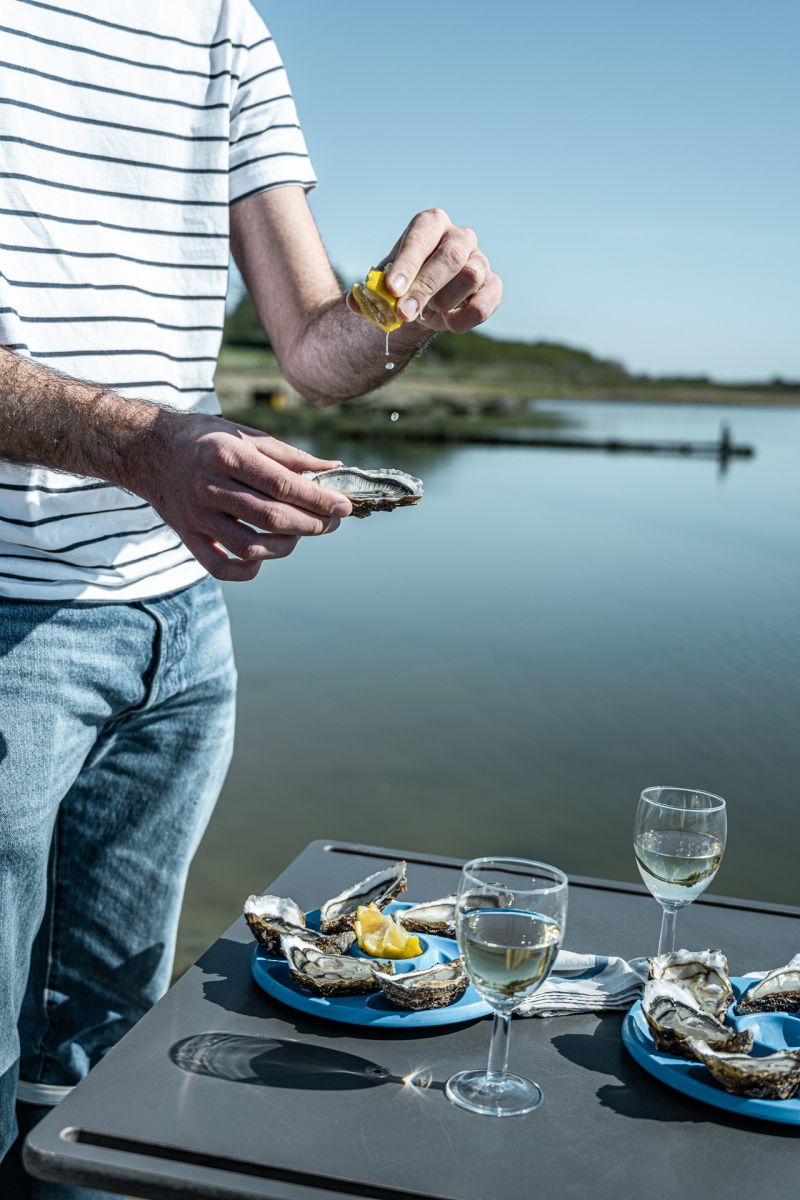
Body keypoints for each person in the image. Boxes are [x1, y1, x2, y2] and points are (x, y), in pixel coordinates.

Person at [0, 2, 502, 1193]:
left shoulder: (222, 23)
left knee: (99, 1075)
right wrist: (144, 448)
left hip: (179, 635)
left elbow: (317, 353)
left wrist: (398, 308)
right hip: (12, 623)